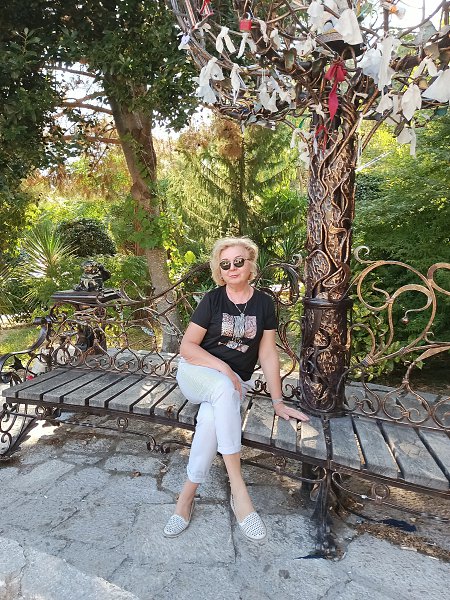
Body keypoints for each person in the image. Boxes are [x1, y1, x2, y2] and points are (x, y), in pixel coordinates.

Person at [163, 236, 309, 541]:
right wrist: (224, 368)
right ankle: (238, 489)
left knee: (209, 420)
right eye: (225, 263)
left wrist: (278, 401)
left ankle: (185, 499)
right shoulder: (212, 300)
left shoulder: (263, 303)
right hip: (197, 374)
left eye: (238, 261)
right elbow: (187, 347)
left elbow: (268, 354)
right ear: (219, 270)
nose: (232, 267)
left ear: (251, 265)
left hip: (231, 386)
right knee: (222, 388)